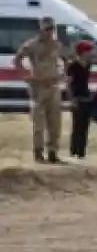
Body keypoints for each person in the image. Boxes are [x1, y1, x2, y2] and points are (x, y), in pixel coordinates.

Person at [14, 16, 66, 164]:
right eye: (47, 29)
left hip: (54, 86)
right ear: (41, 29)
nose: (50, 32)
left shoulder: (56, 44)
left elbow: (64, 60)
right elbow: (17, 59)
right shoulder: (31, 45)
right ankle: (38, 152)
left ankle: (53, 152)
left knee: (55, 122)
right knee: (39, 123)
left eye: (52, 29)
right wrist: (26, 75)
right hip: (39, 87)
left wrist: (62, 75)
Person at [67, 40, 95, 160]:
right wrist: (71, 99)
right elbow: (68, 84)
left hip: (86, 97)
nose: (90, 52)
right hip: (77, 97)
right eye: (88, 50)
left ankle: (82, 151)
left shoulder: (88, 64)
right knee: (77, 125)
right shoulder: (73, 66)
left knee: (85, 125)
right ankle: (74, 150)